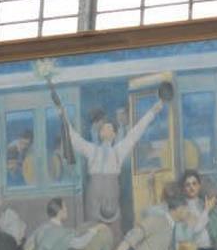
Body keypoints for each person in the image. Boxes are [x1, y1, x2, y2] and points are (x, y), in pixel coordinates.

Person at [57, 96, 165, 238]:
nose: (106, 130)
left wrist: (152, 112)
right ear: (100, 133)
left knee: (114, 232)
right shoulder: (91, 149)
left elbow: (135, 133)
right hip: (94, 198)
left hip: (112, 197)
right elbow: (74, 138)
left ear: (114, 134)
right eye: (104, 128)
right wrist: (64, 117)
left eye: (110, 128)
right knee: (93, 233)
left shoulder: (118, 151)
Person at [26, 198, 100, 250]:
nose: (67, 209)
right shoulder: (63, 233)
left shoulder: (41, 228)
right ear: (60, 211)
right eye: (65, 207)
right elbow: (80, 243)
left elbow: (28, 246)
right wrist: (94, 230)